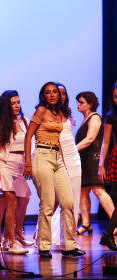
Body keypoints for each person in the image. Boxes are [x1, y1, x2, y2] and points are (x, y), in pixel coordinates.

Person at [24, 82, 85, 258]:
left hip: (58, 158)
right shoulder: (41, 111)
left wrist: (64, 163)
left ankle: (69, 245)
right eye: (48, 92)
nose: (52, 95)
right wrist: (28, 163)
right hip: (42, 156)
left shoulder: (59, 114)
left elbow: (58, 141)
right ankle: (44, 245)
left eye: (54, 92)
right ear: (43, 96)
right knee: (48, 203)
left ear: (59, 95)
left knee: (68, 203)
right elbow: (29, 135)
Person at [0, 90, 31, 254]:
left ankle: (7, 237)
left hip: (21, 164)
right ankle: (11, 241)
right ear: (6, 105)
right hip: (5, 164)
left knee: (23, 199)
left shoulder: (25, 121)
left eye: (18, 102)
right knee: (9, 200)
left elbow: (30, 145)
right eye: (13, 103)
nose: (17, 105)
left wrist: (30, 162)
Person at [75, 91, 115, 235]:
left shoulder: (95, 118)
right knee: (82, 191)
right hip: (85, 160)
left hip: (94, 158)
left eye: (81, 102)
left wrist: (72, 150)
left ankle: (115, 223)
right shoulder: (85, 120)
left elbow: (90, 138)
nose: (78, 105)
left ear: (90, 104)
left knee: (98, 190)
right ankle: (86, 223)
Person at [50, 83, 81, 246]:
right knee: (61, 200)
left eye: (63, 93)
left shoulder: (67, 112)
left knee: (74, 199)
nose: (60, 96)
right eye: (57, 93)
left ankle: (70, 238)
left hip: (74, 157)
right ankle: (48, 235)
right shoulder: (48, 113)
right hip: (58, 157)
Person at [99, 82, 117, 250]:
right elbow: (105, 142)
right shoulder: (111, 115)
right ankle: (108, 233)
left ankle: (108, 234)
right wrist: (101, 165)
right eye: (115, 97)